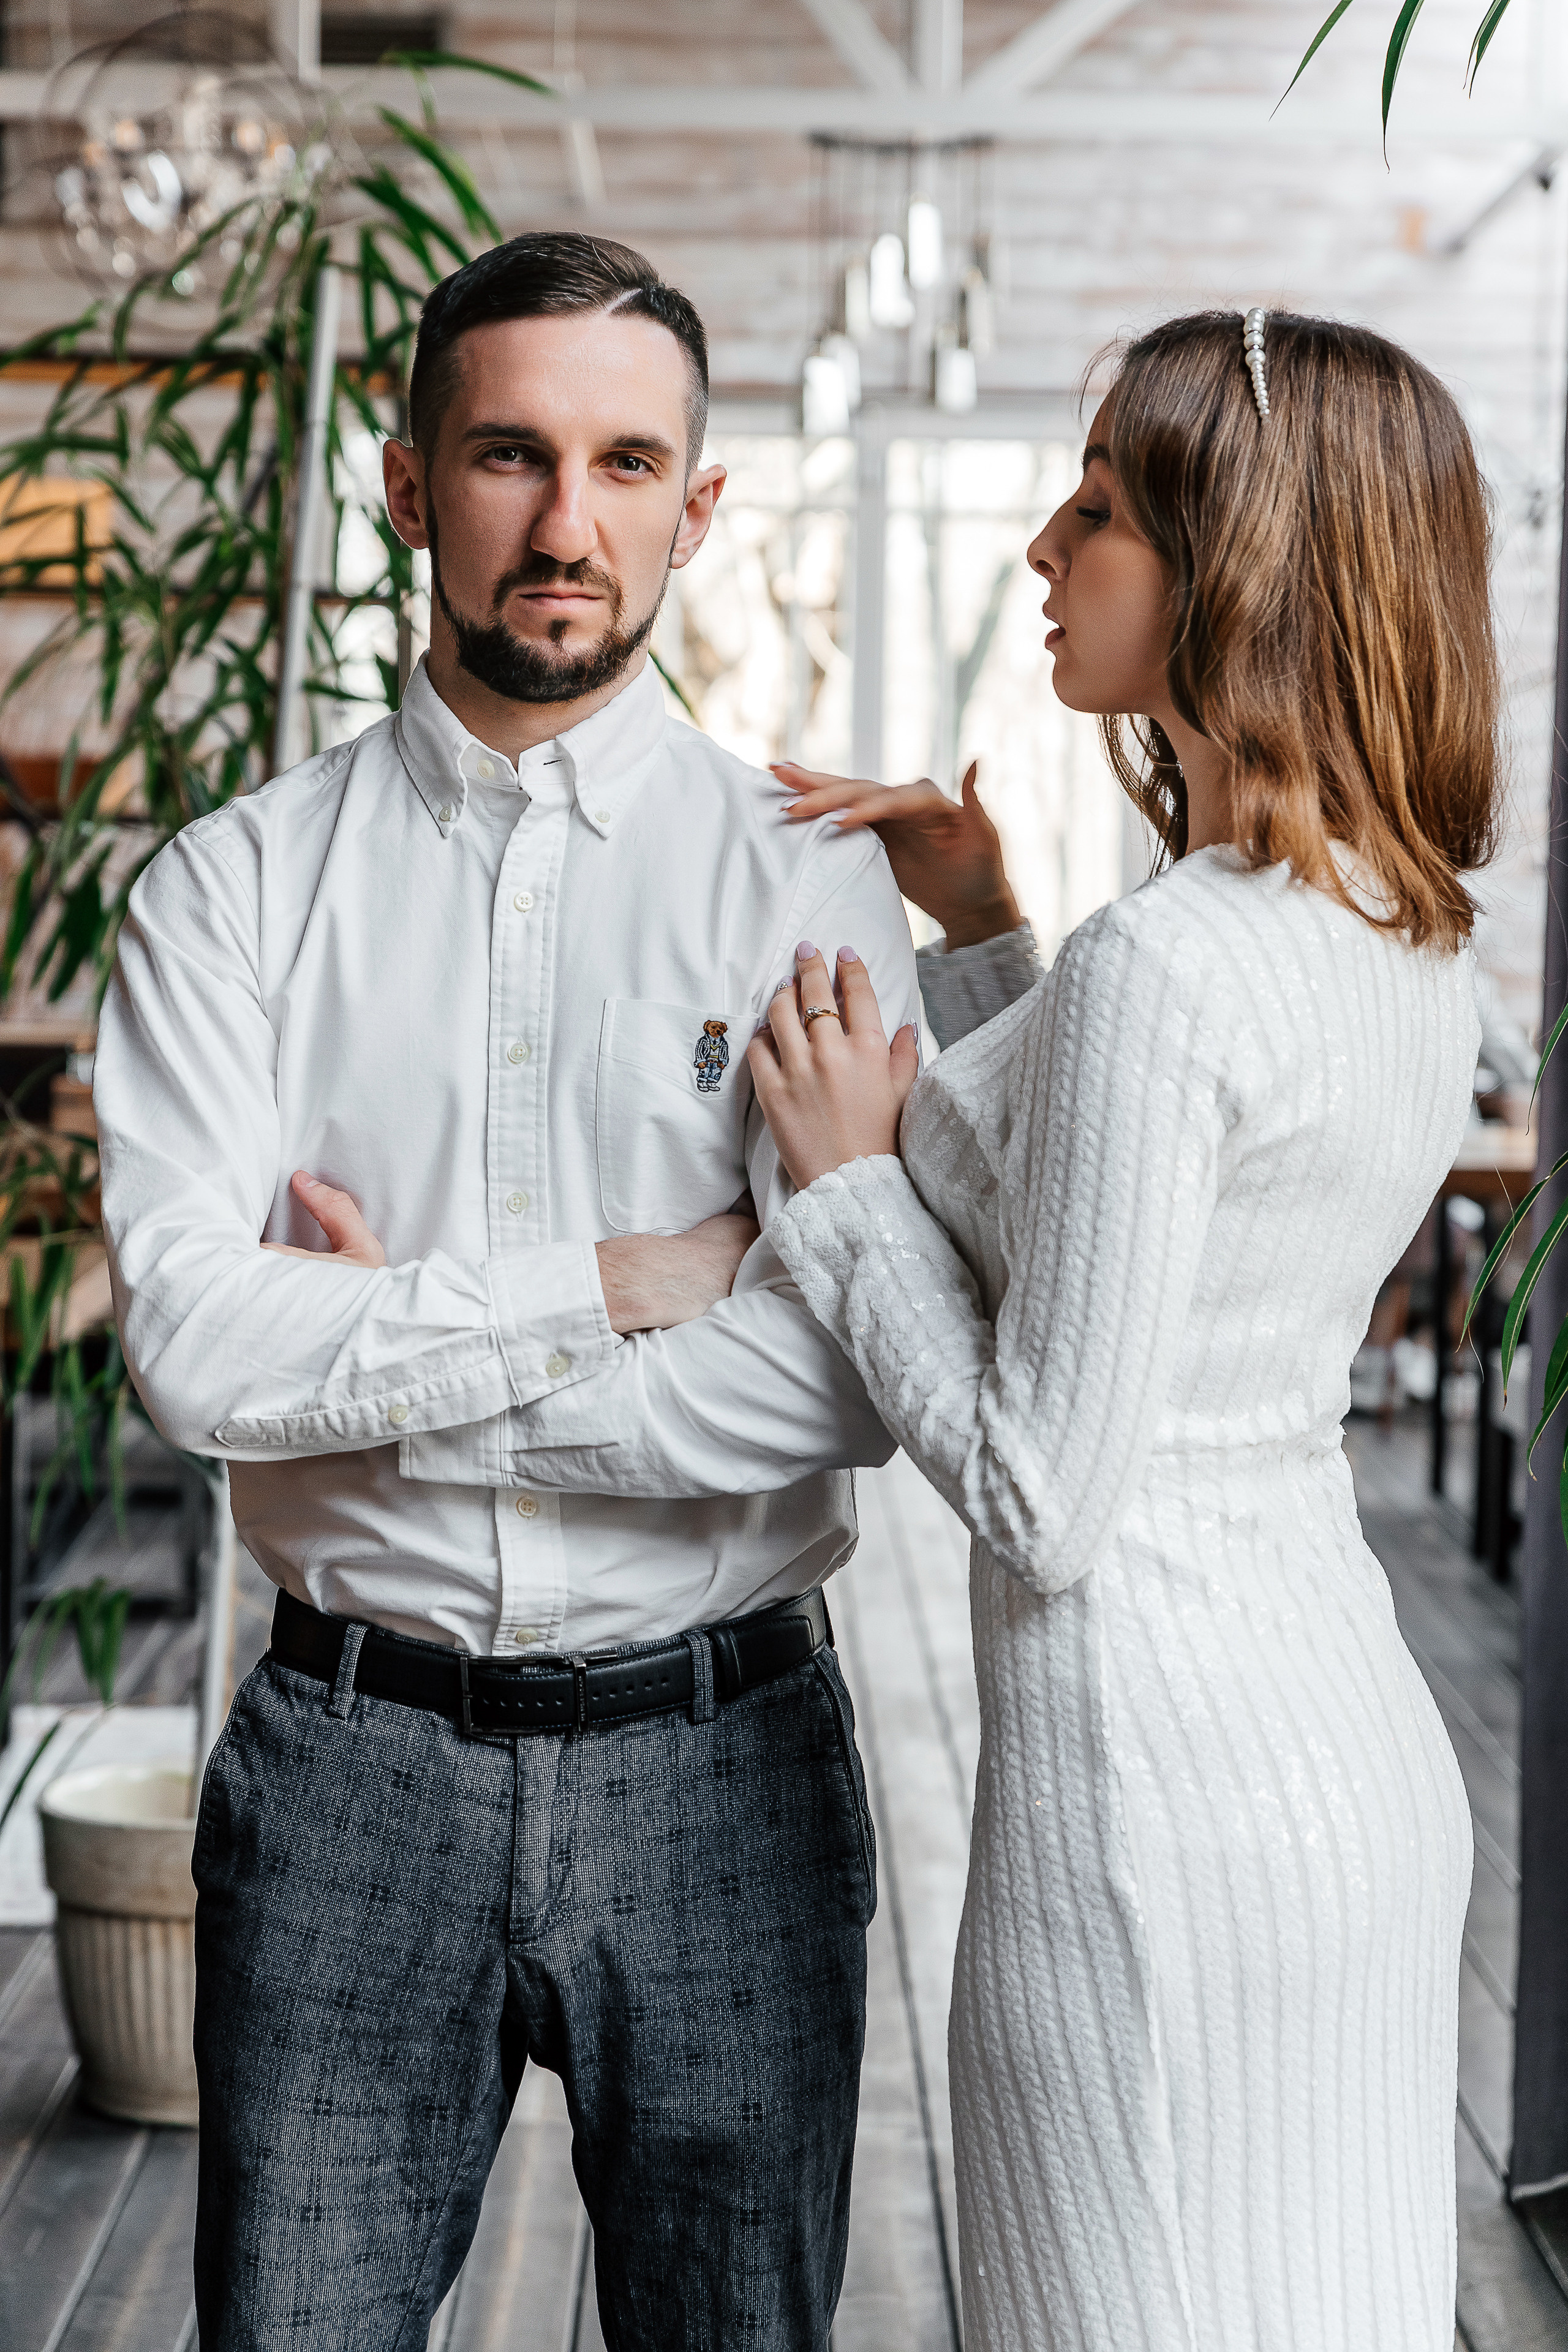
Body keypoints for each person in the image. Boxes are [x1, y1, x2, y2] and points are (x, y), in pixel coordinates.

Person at [94, 232, 919, 2350]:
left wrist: (391, 1353)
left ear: (696, 506)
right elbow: (195, 1348)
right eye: (509, 456)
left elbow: (845, 1375)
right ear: (407, 483)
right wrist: (628, 1280)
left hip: (727, 1766)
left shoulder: (810, 871)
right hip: (351, 1773)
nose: (568, 525)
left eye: (626, 464)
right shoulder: (230, 893)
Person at [746, 309, 1493, 2352]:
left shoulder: (1172, 959)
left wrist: (842, 1192)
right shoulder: (1403, 927)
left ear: (1235, 557)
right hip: (1342, 1780)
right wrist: (992, 938)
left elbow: (1038, 1485)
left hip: (1152, 1814)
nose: (1041, 552)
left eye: (1094, 512)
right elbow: (1130, 1250)